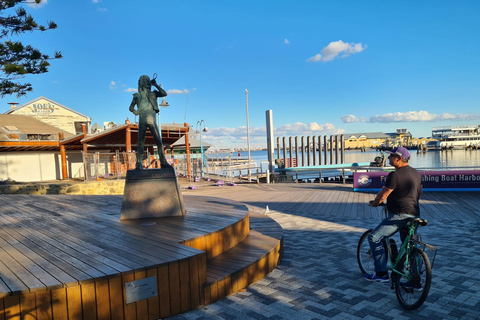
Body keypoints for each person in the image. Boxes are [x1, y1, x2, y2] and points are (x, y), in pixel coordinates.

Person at [365, 146, 423, 283]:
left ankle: (381, 274)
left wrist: (375, 203)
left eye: (391, 156)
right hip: (414, 214)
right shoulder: (416, 173)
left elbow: (383, 194)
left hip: (399, 215)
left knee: (374, 237)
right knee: (410, 246)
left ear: (399, 159)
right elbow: (418, 194)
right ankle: (416, 281)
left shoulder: (395, 175)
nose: (389, 158)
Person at [129, 75, 172, 170]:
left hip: (152, 120)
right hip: (142, 120)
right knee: (141, 142)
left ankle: (163, 162)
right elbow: (131, 107)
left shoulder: (153, 94)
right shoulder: (137, 96)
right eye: (145, 82)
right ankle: (139, 163)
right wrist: (135, 111)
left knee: (159, 141)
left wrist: (156, 85)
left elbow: (164, 93)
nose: (147, 85)